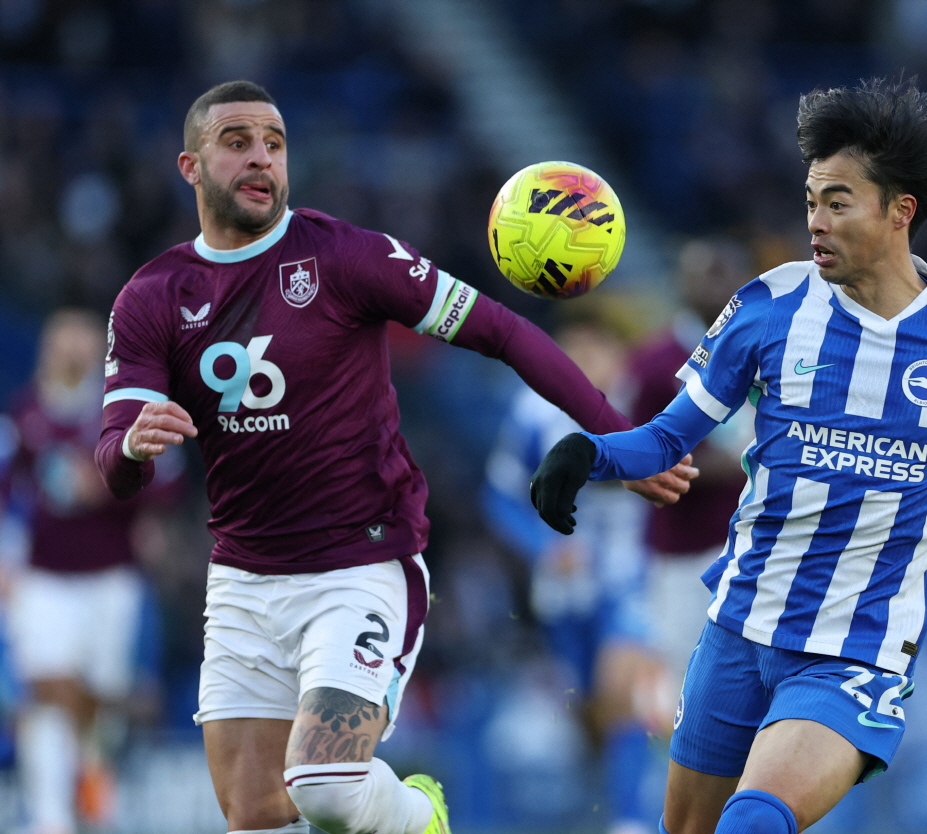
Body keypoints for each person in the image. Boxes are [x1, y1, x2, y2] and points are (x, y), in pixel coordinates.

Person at [93, 80, 696, 834]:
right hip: (243, 578)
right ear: (190, 165)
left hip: (361, 566)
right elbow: (118, 465)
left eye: (275, 144)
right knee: (251, 811)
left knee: (326, 786)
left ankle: (419, 817)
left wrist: (622, 442)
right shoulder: (151, 297)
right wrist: (134, 450)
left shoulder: (349, 257)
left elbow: (502, 333)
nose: (261, 159)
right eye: (237, 142)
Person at [530, 77, 927, 834]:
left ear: (900, 211)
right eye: (810, 200)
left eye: (838, 201)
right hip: (738, 626)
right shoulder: (769, 307)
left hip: (857, 649)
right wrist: (589, 453)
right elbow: (670, 439)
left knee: (753, 822)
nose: (816, 221)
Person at [1, 309, 182, 834]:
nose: (72, 353)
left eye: (82, 343)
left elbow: (167, 482)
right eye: (63, 343)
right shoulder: (24, 415)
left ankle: (95, 800)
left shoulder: (122, 411)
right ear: (47, 350)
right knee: (46, 689)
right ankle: (51, 817)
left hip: (111, 577)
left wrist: (105, 489)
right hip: (43, 577)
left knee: (100, 701)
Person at [484, 320, 665, 834]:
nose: (585, 358)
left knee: (622, 690)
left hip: (637, 575)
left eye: (596, 345)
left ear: (620, 353)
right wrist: (545, 546)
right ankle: (611, 804)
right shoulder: (533, 413)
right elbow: (499, 496)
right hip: (566, 591)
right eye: (573, 348)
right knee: (588, 714)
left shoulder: (649, 403)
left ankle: (631, 818)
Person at [627, 239, 757, 696]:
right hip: (683, 547)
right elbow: (637, 457)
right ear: (682, 283)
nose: (715, 286)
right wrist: (718, 466)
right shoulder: (653, 363)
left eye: (724, 272)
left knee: (748, 676)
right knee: (681, 676)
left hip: (758, 542)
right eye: (704, 273)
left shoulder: (765, 349)